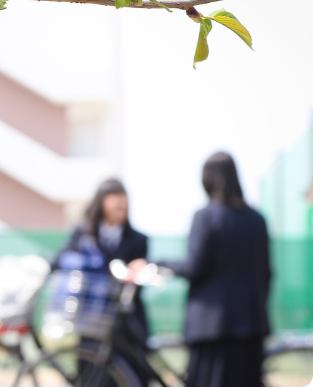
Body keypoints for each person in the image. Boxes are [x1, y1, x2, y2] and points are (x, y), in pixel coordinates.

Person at [130, 152, 271, 387]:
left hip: (212, 329)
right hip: (251, 325)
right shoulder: (257, 220)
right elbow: (266, 273)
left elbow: (194, 267)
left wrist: (156, 264)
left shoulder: (206, 217)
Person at [52, 178, 150, 336]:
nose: (121, 204)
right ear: (101, 202)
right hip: (89, 315)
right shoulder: (83, 233)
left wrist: (136, 270)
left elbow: (140, 279)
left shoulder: (138, 239)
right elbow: (60, 259)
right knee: (88, 356)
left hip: (124, 317)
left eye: (124, 199)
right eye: (115, 198)